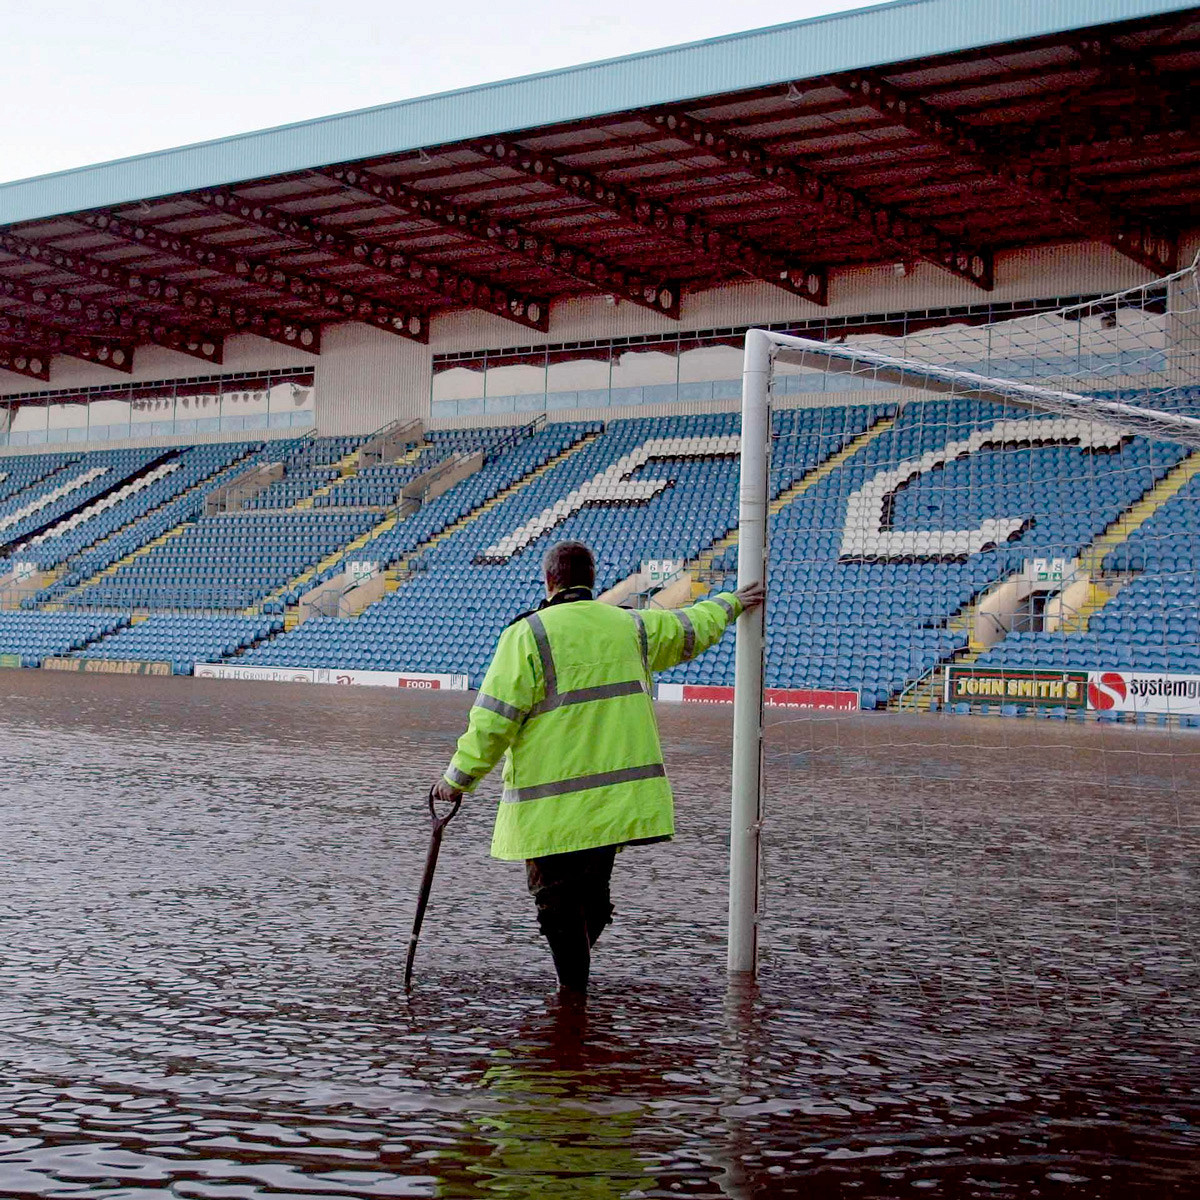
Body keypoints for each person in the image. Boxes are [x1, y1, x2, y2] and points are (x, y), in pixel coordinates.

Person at [432, 539, 765, 999]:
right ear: (592, 580)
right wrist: (731, 603)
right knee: (588, 899)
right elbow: (691, 628)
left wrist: (456, 780)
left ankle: (572, 999)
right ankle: (575, 1003)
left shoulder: (528, 635)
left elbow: (493, 720)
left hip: (551, 813)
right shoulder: (631, 626)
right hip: (611, 807)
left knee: (556, 904)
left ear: (549, 581)